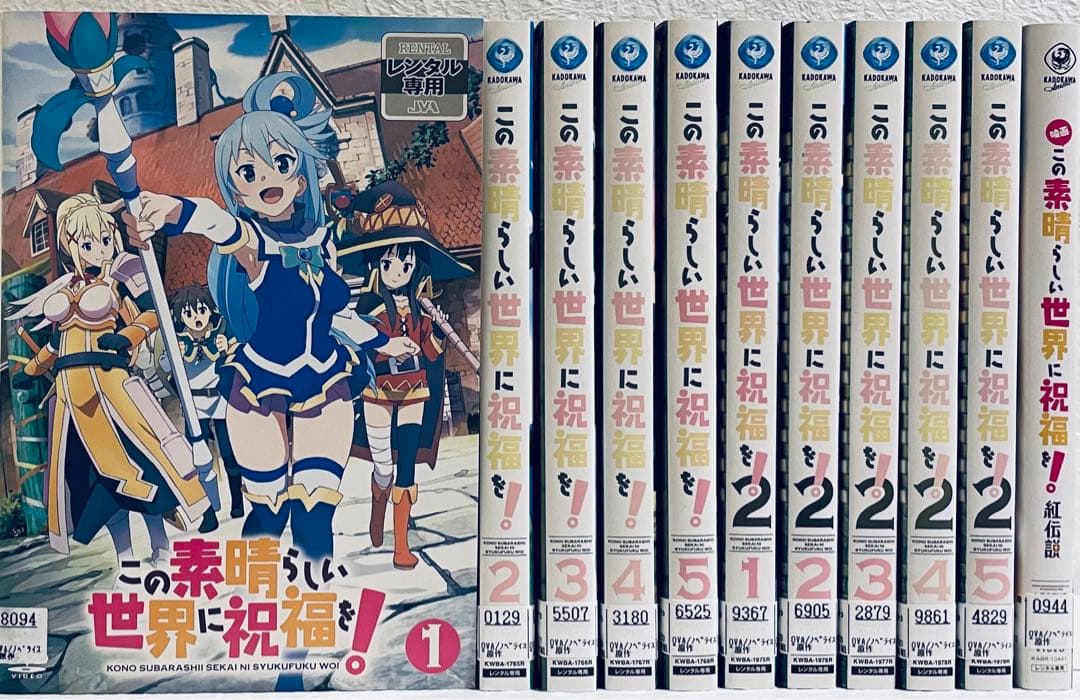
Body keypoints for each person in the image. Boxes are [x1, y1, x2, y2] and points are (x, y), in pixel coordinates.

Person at [119, 73, 415, 563]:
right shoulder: (254, 243)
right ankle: (257, 597)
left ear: (300, 179)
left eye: (280, 163)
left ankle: (313, 594)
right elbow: (215, 223)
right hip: (259, 383)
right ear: (239, 190)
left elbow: (337, 313)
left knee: (315, 511)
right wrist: (167, 209)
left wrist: (384, 343)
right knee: (269, 514)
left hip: (325, 377)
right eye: (248, 172)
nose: (266, 180)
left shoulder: (322, 242)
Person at [9, 193, 208, 561]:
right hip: (73, 400)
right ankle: (125, 557)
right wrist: (32, 368)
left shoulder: (123, 271)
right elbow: (57, 341)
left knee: (144, 464)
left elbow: (152, 313)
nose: (98, 249)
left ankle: (161, 547)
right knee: (99, 484)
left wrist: (126, 337)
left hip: (111, 387)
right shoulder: (67, 287)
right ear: (70, 246)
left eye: (104, 239)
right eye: (87, 243)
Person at [338, 182, 472, 569]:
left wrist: (438, 333)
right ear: (376, 266)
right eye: (388, 264)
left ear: (416, 267)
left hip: (415, 392)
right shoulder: (369, 308)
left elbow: (431, 353)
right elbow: (362, 346)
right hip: (378, 393)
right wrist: (387, 345)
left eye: (406, 264)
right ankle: (377, 506)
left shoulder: (420, 310)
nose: (397, 272)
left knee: (407, 465)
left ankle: (401, 544)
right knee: (384, 466)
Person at [161, 285, 243, 526]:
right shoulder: (177, 341)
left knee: (229, 455)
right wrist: (173, 355)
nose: (196, 317)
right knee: (198, 461)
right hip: (193, 406)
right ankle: (209, 513)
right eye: (188, 313)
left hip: (221, 401)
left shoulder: (222, 334)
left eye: (201, 310)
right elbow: (164, 368)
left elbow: (239, 362)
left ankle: (237, 502)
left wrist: (228, 350)